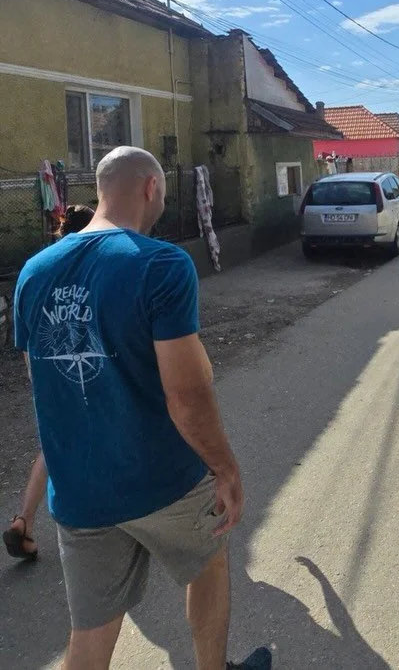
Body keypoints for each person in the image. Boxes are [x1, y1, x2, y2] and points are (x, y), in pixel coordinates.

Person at [13, 147, 269, 670]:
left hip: (79, 491)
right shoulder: (161, 263)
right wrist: (225, 468)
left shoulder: (32, 273)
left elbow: (42, 384)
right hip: (163, 480)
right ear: (151, 187)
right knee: (209, 563)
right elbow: (187, 395)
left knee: (90, 633)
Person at [4, 205, 96, 562]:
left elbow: (23, 333)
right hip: (87, 370)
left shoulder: (38, 268)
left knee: (53, 444)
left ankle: (23, 520)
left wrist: (34, 374)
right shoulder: (92, 267)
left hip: (46, 371)